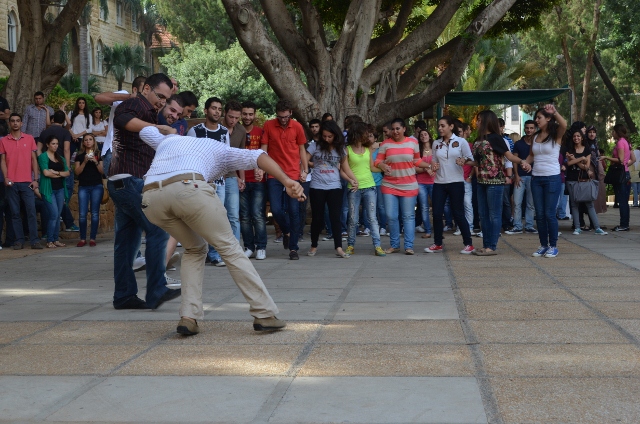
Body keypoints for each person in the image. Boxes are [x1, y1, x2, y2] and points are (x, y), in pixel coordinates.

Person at [138, 125, 305, 335]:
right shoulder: (222, 149)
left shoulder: (169, 140)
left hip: (151, 198)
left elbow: (145, 131)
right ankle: (264, 313)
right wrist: (287, 180)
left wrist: (167, 129)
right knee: (230, 248)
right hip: (189, 187)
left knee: (194, 248)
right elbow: (258, 155)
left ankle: (189, 317)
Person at [106, 73, 179, 310]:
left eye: (165, 99)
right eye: (159, 96)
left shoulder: (149, 111)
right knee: (157, 229)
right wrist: (158, 127)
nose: (161, 102)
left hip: (123, 181)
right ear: (146, 88)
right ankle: (157, 289)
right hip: (129, 181)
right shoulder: (136, 103)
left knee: (126, 244)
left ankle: (124, 296)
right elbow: (122, 118)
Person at [460, 110, 530, 255]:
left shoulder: (496, 138)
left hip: (495, 181)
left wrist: (523, 162)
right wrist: (465, 161)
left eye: (479, 119)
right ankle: (486, 245)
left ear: (486, 121)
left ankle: (492, 246)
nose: (477, 122)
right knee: (483, 214)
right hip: (481, 181)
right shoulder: (479, 139)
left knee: (494, 214)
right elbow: (478, 162)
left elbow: (509, 156)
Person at [374, 118, 430, 255]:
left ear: (404, 129)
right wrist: (382, 165)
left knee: (408, 216)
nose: (395, 131)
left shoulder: (413, 142)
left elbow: (417, 161)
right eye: (393, 129)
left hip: (409, 185)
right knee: (391, 216)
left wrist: (429, 165)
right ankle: (394, 245)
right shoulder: (385, 144)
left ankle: (409, 246)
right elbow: (377, 161)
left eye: (398, 128)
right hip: (389, 185)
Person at [260, 99, 307, 260]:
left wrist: (305, 169)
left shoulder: (298, 127)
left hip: (293, 173)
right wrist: (261, 166)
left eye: (286, 116)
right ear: (276, 115)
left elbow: (302, 149)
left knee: (294, 211)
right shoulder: (269, 125)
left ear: (291, 114)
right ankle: (286, 231)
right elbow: (264, 148)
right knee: (276, 209)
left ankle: (293, 248)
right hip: (274, 173)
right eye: (280, 117)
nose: (283, 120)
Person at [187, 97, 230, 267]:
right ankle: (200, 251)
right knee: (199, 218)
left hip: (219, 182)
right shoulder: (194, 131)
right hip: (199, 182)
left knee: (218, 218)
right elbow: (189, 157)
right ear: (206, 111)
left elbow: (226, 157)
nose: (217, 112)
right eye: (213, 108)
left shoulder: (224, 132)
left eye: (219, 109)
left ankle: (214, 254)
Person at [425, 116, 475, 254]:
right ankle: (438, 243)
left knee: (458, 213)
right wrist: (433, 166)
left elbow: (471, 160)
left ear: (451, 126)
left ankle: (468, 243)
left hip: (456, 182)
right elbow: (434, 161)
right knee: (436, 213)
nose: (440, 128)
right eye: (439, 126)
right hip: (439, 182)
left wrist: (463, 160)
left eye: (443, 126)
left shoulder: (461, 142)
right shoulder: (436, 143)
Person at [522, 104, 567, 258]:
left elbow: (564, 124)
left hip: (552, 178)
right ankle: (543, 245)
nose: (536, 120)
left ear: (548, 119)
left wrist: (555, 112)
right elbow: (532, 156)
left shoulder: (556, 135)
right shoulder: (534, 137)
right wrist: (526, 163)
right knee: (539, 214)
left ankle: (553, 246)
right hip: (536, 178)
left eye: (539, 117)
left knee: (549, 214)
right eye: (536, 118)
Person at [306, 120, 355, 258]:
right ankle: (313, 245)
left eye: (330, 136)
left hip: (334, 186)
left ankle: (338, 247)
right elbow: (304, 159)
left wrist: (354, 180)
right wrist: (305, 169)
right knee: (317, 218)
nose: (326, 139)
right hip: (317, 186)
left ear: (336, 136)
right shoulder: (314, 146)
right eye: (324, 136)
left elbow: (346, 169)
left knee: (335, 218)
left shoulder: (341, 150)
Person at [0, 113, 42, 250]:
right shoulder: (3, 140)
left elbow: (34, 160)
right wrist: (6, 177)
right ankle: (18, 241)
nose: (15, 123)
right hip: (11, 182)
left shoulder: (29, 139)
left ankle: (35, 240)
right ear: (9, 123)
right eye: (12, 121)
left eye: (18, 121)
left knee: (31, 211)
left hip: (27, 182)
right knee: (14, 213)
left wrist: (36, 179)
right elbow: (2, 161)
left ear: (22, 123)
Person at [344, 121, 386, 257]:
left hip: (370, 187)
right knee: (353, 218)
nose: (368, 136)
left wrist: (383, 168)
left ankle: (377, 246)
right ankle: (350, 245)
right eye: (365, 133)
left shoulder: (368, 150)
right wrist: (351, 180)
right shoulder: (347, 150)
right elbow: (343, 169)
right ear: (357, 134)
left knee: (372, 218)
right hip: (353, 188)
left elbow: (372, 167)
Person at [564, 129, 607, 236]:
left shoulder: (586, 150)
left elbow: (586, 166)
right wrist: (581, 159)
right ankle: (577, 227)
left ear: (582, 137)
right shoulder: (569, 149)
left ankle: (597, 227)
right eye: (574, 136)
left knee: (589, 204)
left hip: (584, 179)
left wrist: (576, 160)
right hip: (572, 179)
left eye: (578, 136)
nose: (576, 138)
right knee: (574, 204)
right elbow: (569, 163)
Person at [240, 101, 267, 260]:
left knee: (257, 214)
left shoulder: (260, 131)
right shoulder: (236, 131)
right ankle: (249, 247)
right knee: (244, 215)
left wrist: (262, 170)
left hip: (258, 180)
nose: (247, 117)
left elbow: (264, 154)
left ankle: (261, 246)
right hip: (241, 179)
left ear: (255, 115)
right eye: (245, 114)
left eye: (250, 114)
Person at [600, 124, 635, 231]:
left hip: (620, 175)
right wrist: (625, 165)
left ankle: (623, 225)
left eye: (613, 131)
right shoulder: (627, 142)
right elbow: (633, 159)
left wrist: (606, 157)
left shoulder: (620, 142)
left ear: (616, 132)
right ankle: (625, 224)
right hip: (626, 173)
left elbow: (620, 159)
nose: (612, 133)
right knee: (624, 200)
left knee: (622, 200)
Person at [38, 135, 70, 248]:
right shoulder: (43, 156)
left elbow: (67, 173)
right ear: (47, 144)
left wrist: (56, 173)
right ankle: (50, 240)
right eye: (53, 144)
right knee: (54, 214)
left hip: (60, 189)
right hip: (48, 189)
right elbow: (46, 173)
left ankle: (56, 239)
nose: (55, 146)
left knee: (58, 215)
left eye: (57, 144)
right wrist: (59, 174)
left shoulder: (60, 158)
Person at [506, 120, 537, 235]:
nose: (529, 130)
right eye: (527, 128)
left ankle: (529, 226)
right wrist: (516, 175)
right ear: (524, 128)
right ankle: (517, 225)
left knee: (531, 203)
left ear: (535, 129)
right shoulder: (518, 143)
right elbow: (514, 161)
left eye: (531, 128)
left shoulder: (537, 143)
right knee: (517, 203)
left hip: (534, 177)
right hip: (520, 176)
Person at [74, 133, 104, 247]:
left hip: (96, 185)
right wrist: (85, 162)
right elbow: (77, 172)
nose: (88, 142)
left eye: (90, 139)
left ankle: (92, 238)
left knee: (95, 213)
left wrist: (95, 161)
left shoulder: (98, 154)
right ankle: (82, 238)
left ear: (94, 141)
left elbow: (102, 171)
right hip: (83, 186)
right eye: (85, 140)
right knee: (82, 214)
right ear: (83, 142)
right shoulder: (80, 155)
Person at [415, 128, 434, 238]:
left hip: (434, 181)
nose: (423, 136)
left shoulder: (435, 150)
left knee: (437, 206)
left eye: (425, 134)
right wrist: (426, 169)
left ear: (429, 136)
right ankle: (427, 230)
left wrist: (430, 167)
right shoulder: (418, 152)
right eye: (421, 135)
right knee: (423, 207)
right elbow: (415, 169)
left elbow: (438, 166)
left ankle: (438, 231)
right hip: (421, 182)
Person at [587, 126, 607, 214]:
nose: (592, 134)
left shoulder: (595, 143)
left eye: (594, 132)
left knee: (599, 191)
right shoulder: (585, 143)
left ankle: (595, 215)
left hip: (597, 171)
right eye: (590, 132)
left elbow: (597, 155)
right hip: (589, 169)